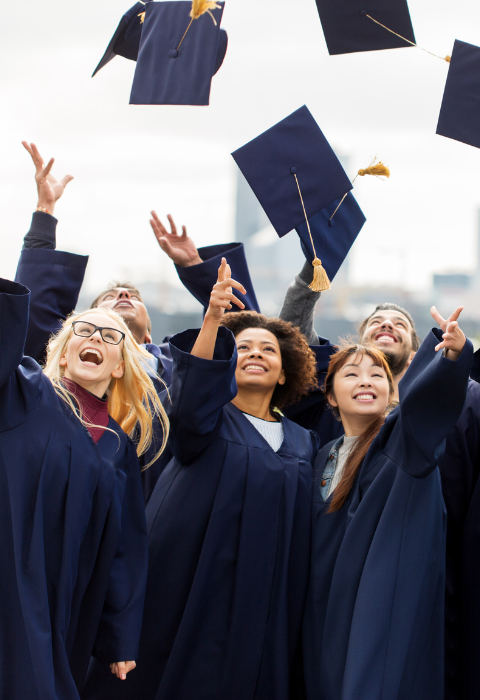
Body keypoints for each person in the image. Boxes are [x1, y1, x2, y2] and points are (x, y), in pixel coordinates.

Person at [83, 259, 319, 700]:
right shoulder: (205, 421)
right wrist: (213, 319)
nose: (255, 354)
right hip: (192, 581)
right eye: (244, 348)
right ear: (225, 367)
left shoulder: (304, 443)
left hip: (265, 598)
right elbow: (191, 398)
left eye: (268, 350)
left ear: (285, 372)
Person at [16, 141, 260, 500]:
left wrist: (195, 265)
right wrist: (44, 212)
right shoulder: (69, 362)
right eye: (108, 301)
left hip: (157, 496)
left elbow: (245, 338)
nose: (123, 297)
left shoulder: (174, 362)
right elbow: (35, 310)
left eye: (133, 296)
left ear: (148, 330)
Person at [280, 266, 480, 700]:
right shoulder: (319, 454)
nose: (365, 380)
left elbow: (428, 410)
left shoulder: (402, 442)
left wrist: (449, 359)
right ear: (328, 394)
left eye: (376, 376)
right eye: (351, 374)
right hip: (323, 610)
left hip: (379, 609)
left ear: (394, 392)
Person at [0, 276, 168, 699]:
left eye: (111, 335)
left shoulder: (116, 444)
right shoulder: (23, 392)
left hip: (64, 593)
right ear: (61, 353)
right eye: (84, 329)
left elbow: (124, 547)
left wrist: (119, 636)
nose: (95, 336)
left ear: (119, 365)